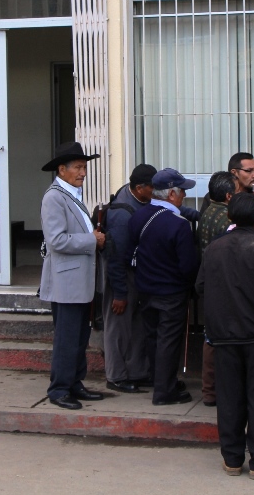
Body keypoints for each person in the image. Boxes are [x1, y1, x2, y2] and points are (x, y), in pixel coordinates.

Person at [196, 192, 254, 480]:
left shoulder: (214, 249)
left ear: (230, 217)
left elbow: (200, 287)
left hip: (223, 337)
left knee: (229, 397)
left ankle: (232, 459)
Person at [38, 142, 107, 410]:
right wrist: (91, 240)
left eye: (84, 167)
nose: (83, 172)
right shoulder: (54, 197)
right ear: (62, 169)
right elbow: (56, 241)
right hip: (66, 281)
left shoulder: (72, 194)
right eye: (78, 167)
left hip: (79, 280)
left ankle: (75, 383)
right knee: (67, 338)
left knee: (79, 337)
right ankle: (59, 389)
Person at [130, 168, 201, 406]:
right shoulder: (178, 225)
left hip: (146, 289)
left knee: (153, 338)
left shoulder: (139, 216)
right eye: (181, 191)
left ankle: (160, 381)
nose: (184, 196)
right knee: (169, 341)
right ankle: (164, 391)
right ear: (171, 194)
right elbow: (188, 265)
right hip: (171, 293)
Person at [101, 163, 158, 394]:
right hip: (121, 276)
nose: (157, 192)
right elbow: (115, 257)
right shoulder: (122, 215)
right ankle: (115, 376)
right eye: (153, 188)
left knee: (136, 326)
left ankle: (137, 372)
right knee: (118, 327)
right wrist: (120, 294)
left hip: (136, 273)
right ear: (139, 187)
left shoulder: (138, 197)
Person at [196, 170, 238, 407]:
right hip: (223, 284)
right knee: (223, 340)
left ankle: (209, 391)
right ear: (230, 196)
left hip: (208, 282)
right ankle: (219, 390)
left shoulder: (208, 212)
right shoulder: (227, 219)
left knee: (210, 338)